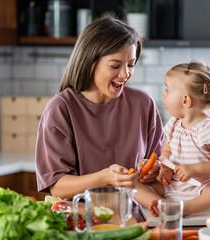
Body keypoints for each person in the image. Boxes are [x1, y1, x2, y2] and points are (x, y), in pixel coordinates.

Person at [35, 16, 164, 199]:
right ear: (90, 62)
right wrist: (104, 178)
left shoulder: (143, 104)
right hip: (84, 222)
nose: (125, 74)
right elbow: (57, 185)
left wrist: (154, 170)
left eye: (131, 65)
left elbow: (160, 163)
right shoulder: (61, 108)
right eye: (115, 65)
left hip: (136, 221)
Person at [133, 60, 210, 216]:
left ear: (185, 100)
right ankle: (164, 205)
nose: (164, 94)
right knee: (131, 182)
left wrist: (195, 169)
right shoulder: (174, 123)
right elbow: (167, 151)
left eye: (167, 90)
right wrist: (164, 167)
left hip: (203, 187)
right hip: (172, 186)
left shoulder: (209, 128)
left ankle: (186, 208)